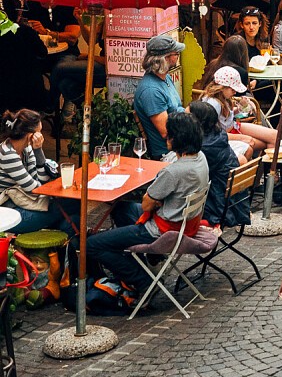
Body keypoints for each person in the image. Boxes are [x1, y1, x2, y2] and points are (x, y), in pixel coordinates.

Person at [86, 111, 209, 305]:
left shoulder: (174, 171)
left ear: (177, 138)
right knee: (120, 208)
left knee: (91, 245)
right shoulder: (200, 158)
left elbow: (146, 203)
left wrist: (157, 200)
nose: (164, 136)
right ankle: (145, 258)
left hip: (162, 229)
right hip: (184, 223)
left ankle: (141, 280)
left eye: (169, 134)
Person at [0, 109, 72, 233]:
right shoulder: (7, 154)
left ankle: (67, 247)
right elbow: (35, 191)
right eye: (40, 132)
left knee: (70, 216)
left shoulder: (27, 149)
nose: (42, 136)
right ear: (30, 135)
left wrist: (38, 151)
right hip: (10, 214)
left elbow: (40, 182)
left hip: (26, 204)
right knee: (70, 206)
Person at [187, 100, 248, 229]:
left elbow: (188, 176)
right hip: (233, 204)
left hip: (216, 208)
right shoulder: (218, 135)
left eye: (186, 116)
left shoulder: (204, 148)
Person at [202, 66, 277, 156]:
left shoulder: (223, 97)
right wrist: (242, 138)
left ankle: (268, 166)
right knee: (265, 143)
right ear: (221, 87)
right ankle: (266, 167)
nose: (235, 92)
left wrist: (240, 108)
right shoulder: (213, 104)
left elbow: (226, 116)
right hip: (224, 134)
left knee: (274, 136)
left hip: (234, 127)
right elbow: (213, 134)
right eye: (233, 89)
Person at [134, 34, 186, 160]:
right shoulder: (151, 91)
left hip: (183, 141)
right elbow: (166, 132)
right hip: (169, 153)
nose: (178, 56)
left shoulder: (165, 77)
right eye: (176, 54)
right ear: (165, 59)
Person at [0, 0, 49, 114]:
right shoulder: (27, 32)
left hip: (4, 91)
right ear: (19, 14)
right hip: (29, 91)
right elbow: (43, 53)